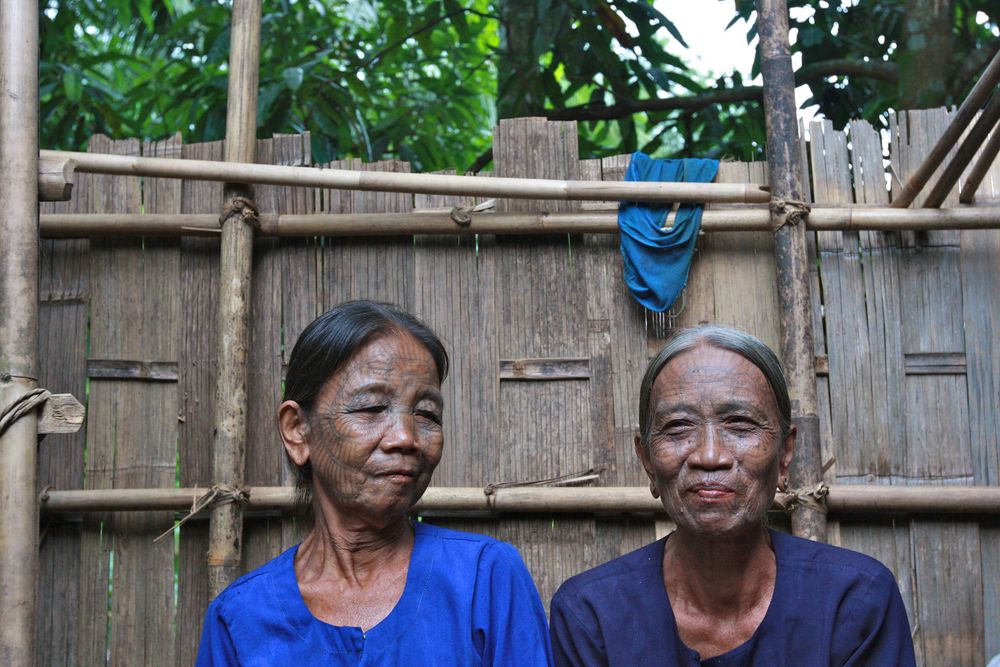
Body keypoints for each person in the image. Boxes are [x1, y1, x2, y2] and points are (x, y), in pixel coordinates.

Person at [197, 300, 552, 666]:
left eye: (427, 414)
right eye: (371, 409)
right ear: (298, 430)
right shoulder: (239, 619)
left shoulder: (484, 579)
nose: (405, 437)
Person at [549, 325, 916, 666]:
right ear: (647, 460)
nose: (710, 456)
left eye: (740, 424)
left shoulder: (853, 602)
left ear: (785, 453)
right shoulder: (592, 615)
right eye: (678, 427)